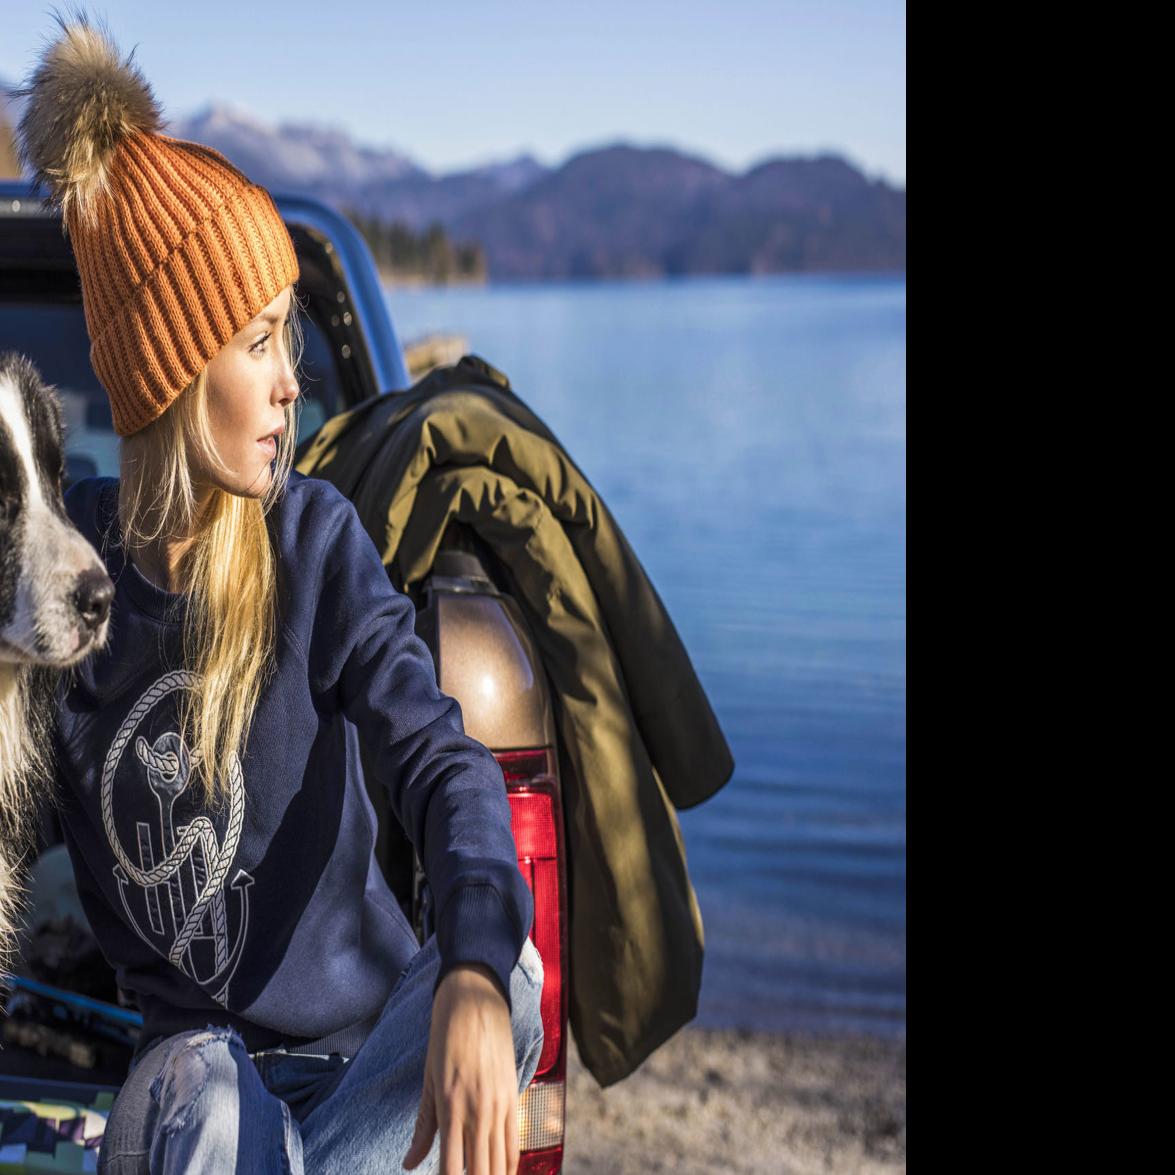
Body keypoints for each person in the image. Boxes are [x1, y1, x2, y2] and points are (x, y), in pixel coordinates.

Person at [15, 14, 544, 1174]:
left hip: (360, 1092)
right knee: (205, 1078)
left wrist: (463, 970)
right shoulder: (69, 579)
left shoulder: (314, 543)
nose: (289, 383)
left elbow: (443, 762)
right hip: (188, 1103)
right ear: (171, 366)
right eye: (256, 342)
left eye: (287, 341)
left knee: (506, 972)